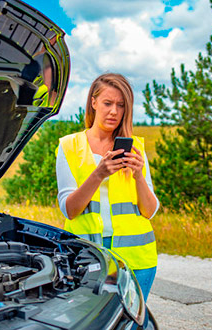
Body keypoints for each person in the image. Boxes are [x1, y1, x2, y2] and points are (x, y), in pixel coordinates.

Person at [56, 73, 159, 307]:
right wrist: (99, 173)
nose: (114, 111)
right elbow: (70, 210)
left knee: (132, 322)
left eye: (121, 105)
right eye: (108, 103)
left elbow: (150, 211)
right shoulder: (69, 146)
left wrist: (138, 176)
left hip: (139, 260)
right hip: (86, 258)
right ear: (93, 102)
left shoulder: (136, 147)